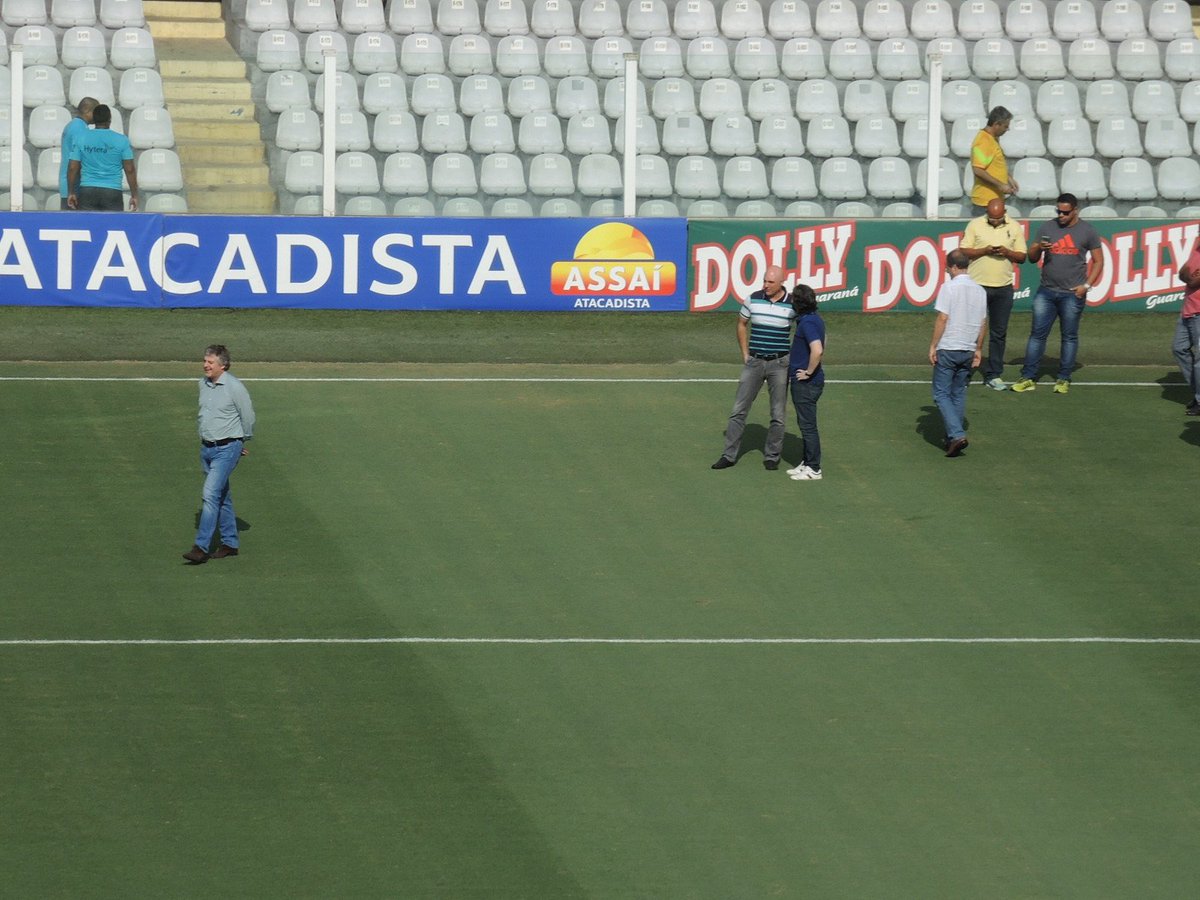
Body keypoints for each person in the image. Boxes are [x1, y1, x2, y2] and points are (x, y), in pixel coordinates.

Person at [1011, 193, 1104, 394]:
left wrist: (1086, 286)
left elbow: (1099, 261)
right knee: (1037, 335)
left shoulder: (1087, 231)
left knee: (1069, 336)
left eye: (1065, 212)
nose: (1061, 215)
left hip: (1072, 293)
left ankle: (1063, 378)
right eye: (1058, 211)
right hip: (1046, 291)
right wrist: (1037, 246)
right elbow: (1031, 258)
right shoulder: (1047, 227)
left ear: (1075, 210)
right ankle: (1028, 376)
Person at [711, 264, 795, 471]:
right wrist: (745, 353)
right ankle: (728, 456)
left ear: (782, 282)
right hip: (754, 362)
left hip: (780, 364)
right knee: (738, 410)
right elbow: (741, 324)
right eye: (765, 281)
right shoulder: (753, 298)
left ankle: (772, 457)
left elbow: (804, 330)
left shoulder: (793, 304)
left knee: (778, 414)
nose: (765, 285)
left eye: (770, 282)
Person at [183, 345, 255, 564]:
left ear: (222, 365)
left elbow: (248, 416)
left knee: (210, 494)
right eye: (205, 361)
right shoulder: (203, 384)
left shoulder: (235, 387)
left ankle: (201, 547)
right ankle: (230, 543)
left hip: (227, 449)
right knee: (222, 496)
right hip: (207, 448)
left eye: (210, 362)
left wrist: (238, 442)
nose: (205, 365)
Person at [958, 197, 1028, 391]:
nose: (994, 221)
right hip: (977, 286)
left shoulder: (1014, 227)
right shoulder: (975, 224)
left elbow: (1022, 256)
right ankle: (964, 372)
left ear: (1004, 213)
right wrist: (985, 250)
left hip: (1003, 287)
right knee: (970, 330)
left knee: (999, 332)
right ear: (987, 212)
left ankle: (994, 374)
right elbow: (964, 251)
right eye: (991, 217)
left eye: (997, 218)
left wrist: (1006, 252)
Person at [929, 249, 987, 458]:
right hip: (968, 348)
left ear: (953, 267)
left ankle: (956, 434)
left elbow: (943, 318)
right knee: (958, 393)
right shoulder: (980, 290)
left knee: (941, 394)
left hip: (950, 346)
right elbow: (982, 323)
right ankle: (951, 437)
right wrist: (978, 348)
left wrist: (933, 345)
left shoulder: (949, 287)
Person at [784, 283, 825, 481]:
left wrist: (808, 372)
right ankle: (807, 462)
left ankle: (814, 468)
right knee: (805, 424)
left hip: (807, 384)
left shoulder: (807, 323)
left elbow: (817, 349)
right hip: (810, 383)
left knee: (808, 426)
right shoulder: (813, 319)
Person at [66, 104, 139, 212]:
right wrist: (134, 195)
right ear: (110, 119)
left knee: (89, 225)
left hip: (87, 189)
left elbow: (73, 168)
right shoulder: (122, 140)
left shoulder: (81, 138)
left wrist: (71, 192)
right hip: (112, 190)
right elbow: (130, 169)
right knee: (112, 226)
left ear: (94, 119)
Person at [969, 106, 1018, 217]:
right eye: (1005, 126)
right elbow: (977, 169)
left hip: (993, 200)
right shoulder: (984, 141)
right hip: (985, 202)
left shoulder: (992, 139)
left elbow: (994, 164)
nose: (1007, 129)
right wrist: (1000, 185)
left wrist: (1008, 178)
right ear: (996, 124)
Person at [1173, 236, 1200, 416]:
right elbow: (1182, 273)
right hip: (1188, 310)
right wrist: (1189, 275)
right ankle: (1198, 394)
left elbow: (1192, 281)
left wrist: (1190, 277)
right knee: (1178, 348)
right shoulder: (1197, 245)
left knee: (1199, 361)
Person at [59, 97, 97, 210]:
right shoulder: (80, 129)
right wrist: (73, 191)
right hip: (74, 187)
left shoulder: (73, 125)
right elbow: (76, 161)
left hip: (69, 185)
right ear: (87, 111)